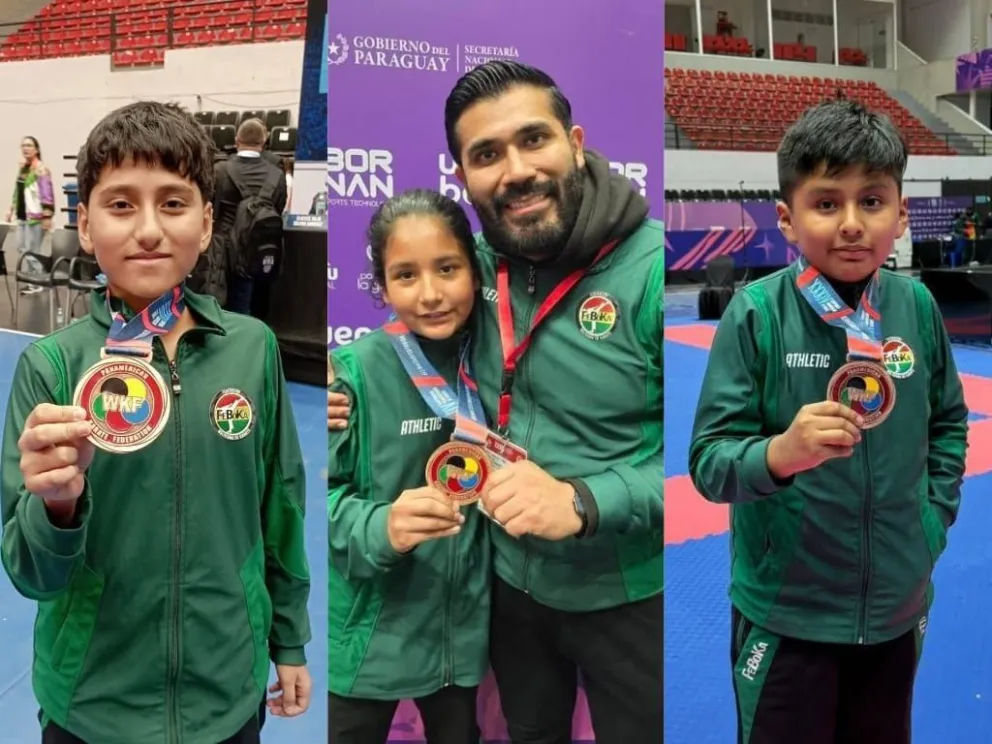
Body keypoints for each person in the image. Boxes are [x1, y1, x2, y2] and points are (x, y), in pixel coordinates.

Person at [330, 60, 664, 743]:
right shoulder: (476, 261)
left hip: (623, 592)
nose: (514, 171)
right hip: (507, 587)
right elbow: (418, 309)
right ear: (462, 175)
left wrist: (583, 500)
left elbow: (701, 463)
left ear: (575, 140)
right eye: (486, 155)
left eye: (532, 140)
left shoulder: (652, 270)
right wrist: (350, 388)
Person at [0, 101, 312, 744]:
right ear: (84, 226)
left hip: (227, 691)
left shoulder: (253, 348)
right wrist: (56, 508)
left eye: (172, 203)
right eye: (120, 205)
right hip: (91, 701)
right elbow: (30, 573)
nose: (148, 229)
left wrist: (289, 636)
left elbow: (279, 507)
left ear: (206, 223)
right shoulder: (51, 368)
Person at [688, 100, 968, 744]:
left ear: (900, 214)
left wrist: (932, 520)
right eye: (826, 203)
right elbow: (708, 462)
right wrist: (779, 454)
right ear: (787, 217)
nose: (850, 224)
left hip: (898, 603)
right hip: (788, 612)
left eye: (871, 202)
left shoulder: (916, 305)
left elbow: (949, 422)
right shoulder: (756, 314)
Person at [328, 188, 490, 744]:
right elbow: (315, 501)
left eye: (447, 269)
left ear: (475, 268)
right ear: (382, 282)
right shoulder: (352, 375)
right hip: (370, 636)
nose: (429, 295)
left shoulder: (498, 361)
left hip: (462, 638)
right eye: (404, 276)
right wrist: (382, 526)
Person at [211, 117, 287, 318]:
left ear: (237, 140)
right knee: (253, 310)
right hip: (261, 251)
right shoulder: (277, 174)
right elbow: (278, 210)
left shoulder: (219, 170)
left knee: (222, 311)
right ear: (264, 142)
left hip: (223, 253)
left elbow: (210, 208)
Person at [6, 135, 55, 293]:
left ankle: (38, 281)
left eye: (29, 145)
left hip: (35, 217)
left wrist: (47, 216)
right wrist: (11, 208)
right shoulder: (23, 170)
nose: (25, 148)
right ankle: (31, 278)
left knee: (33, 251)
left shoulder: (41, 170)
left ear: (36, 149)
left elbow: (47, 194)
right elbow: (18, 191)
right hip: (22, 216)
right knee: (21, 247)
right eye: (23, 145)